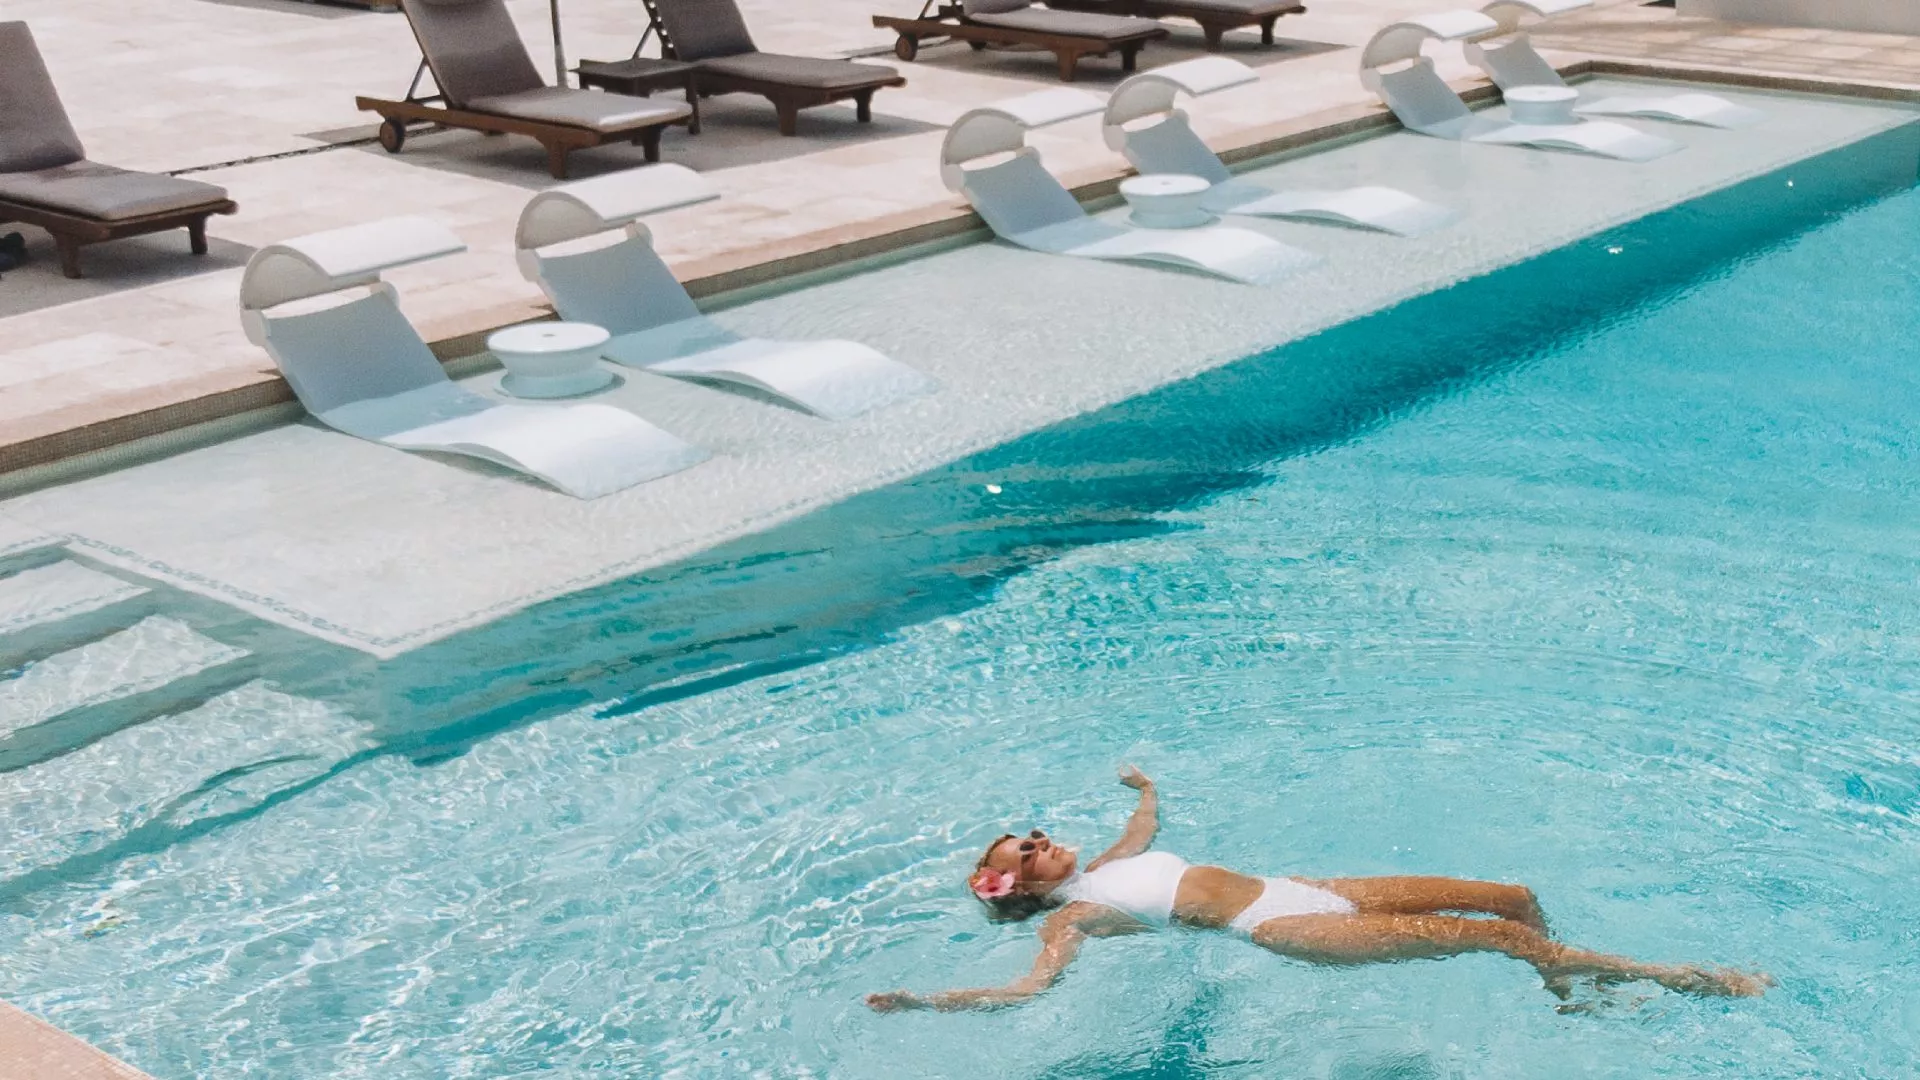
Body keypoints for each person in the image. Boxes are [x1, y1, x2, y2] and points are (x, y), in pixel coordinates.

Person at [867, 767, 1769, 1012]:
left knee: (1511, 896)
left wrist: (1140, 789)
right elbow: (1031, 987)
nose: (1038, 839)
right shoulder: (1079, 916)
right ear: (1024, 885)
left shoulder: (1108, 860)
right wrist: (925, 1002)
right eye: (1026, 849)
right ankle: (1675, 977)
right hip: (1288, 929)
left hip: (1315, 886)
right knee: (1501, 936)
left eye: (1030, 833)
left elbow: (1144, 829)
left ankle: (1569, 988)